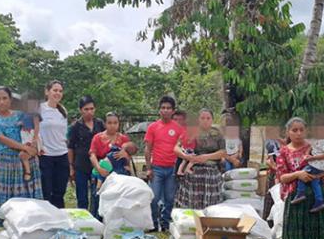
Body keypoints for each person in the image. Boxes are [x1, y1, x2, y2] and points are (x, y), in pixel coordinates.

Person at [276, 117, 324, 239]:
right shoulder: (283, 152)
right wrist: (298, 174)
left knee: (319, 231)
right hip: (296, 197)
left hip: (317, 197)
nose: (298, 133)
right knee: (297, 233)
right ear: (288, 132)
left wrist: (317, 174)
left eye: (301, 129)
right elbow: (282, 177)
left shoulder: (314, 147)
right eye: (294, 130)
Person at [0, 87, 42, 226]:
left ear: (10, 100)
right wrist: (24, 147)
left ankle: (25, 228)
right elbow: (1, 138)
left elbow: (34, 126)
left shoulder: (20, 115)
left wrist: (34, 146)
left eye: (5, 98)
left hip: (24, 160)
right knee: (5, 197)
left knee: (25, 197)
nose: (2, 102)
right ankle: (3, 228)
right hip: (4, 162)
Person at [144, 96, 184, 231]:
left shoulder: (179, 129)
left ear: (173, 111)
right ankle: (153, 224)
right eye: (163, 108)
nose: (165, 110)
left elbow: (182, 149)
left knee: (170, 199)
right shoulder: (153, 127)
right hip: (157, 169)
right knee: (153, 198)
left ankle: (165, 223)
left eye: (168, 108)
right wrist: (148, 168)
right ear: (159, 110)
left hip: (172, 169)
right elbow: (148, 149)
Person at [174, 109, 226, 209]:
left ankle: (210, 224)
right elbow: (176, 148)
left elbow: (223, 152)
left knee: (212, 205)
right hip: (193, 173)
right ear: (198, 120)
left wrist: (206, 157)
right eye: (202, 118)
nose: (205, 120)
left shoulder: (217, 134)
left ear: (212, 120)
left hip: (211, 174)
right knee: (192, 204)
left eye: (208, 118)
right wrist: (186, 156)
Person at [89, 113, 136, 213]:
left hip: (118, 176)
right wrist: (99, 169)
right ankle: (97, 222)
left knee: (116, 201)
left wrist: (126, 156)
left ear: (118, 124)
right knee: (98, 199)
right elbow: (92, 154)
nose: (112, 125)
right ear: (105, 124)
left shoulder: (124, 139)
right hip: (102, 171)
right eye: (109, 123)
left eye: (115, 123)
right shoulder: (97, 137)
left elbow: (129, 157)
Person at [67, 96, 105, 211]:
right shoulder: (75, 127)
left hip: (98, 166)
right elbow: (70, 147)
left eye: (92, 109)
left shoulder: (100, 124)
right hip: (80, 166)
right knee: (82, 197)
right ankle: (83, 223)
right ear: (80, 110)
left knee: (97, 195)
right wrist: (71, 167)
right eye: (86, 109)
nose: (89, 112)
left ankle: (97, 220)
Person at [38, 80, 69, 208]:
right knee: (46, 191)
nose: (58, 93)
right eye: (55, 90)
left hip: (62, 155)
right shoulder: (39, 109)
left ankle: (60, 219)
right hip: (46, 156)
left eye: (60, 91)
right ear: (47, 92)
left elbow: (64, 134)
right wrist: (39, 146)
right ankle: (46, 219)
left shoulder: (63, 111)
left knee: (60, 191)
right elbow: (33, 131)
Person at [289, 130, 324, 213]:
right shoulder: (316, 139)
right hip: (316, 165)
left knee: (301, 174)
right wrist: (307, 153)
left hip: (317, 165)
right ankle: (319, 201)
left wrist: (312, 158)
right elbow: (310, 146)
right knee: (315, 183)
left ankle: (301, 192)